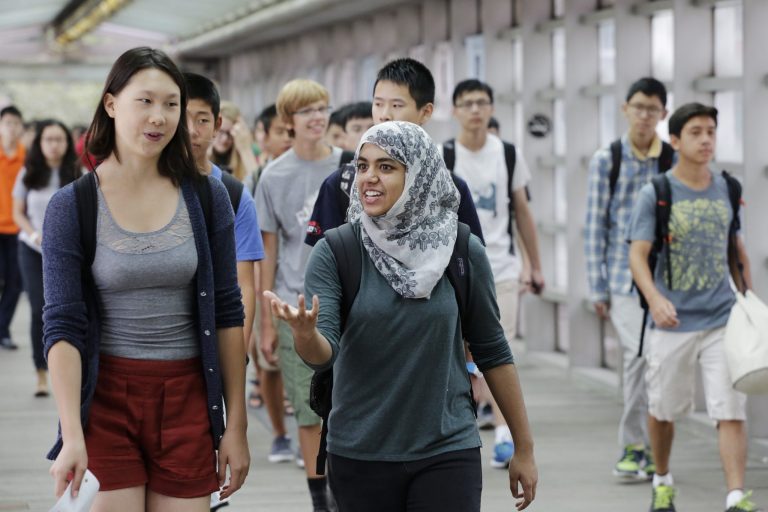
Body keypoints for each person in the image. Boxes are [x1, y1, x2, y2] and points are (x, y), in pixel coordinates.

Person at [265, 121, 538, 512]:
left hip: (448, 446)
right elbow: (322, 354)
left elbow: (493, 351)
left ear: (419, 173)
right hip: (361, 453)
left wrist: (524, 448)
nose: (369, 178)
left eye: (387, 167)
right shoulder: (337, 251)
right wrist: (305, 334)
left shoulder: (460, 249)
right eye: (362, 166)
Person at [42, 47, 250, 511]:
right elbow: (63, 327)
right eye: (145, 101)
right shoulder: (72, 207)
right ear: (111, 103)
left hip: (188, 399)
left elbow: (227, 311)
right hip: (107, 399)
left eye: (171, 104)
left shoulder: (206, 196)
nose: (159, 117)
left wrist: (235, 426)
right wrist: (71, 435)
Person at [628, 103, 759, 512]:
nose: (706, 140)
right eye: (697, 132)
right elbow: (638, 254)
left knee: (730, 408)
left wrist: (748, 306)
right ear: (676, 140)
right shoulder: (658, 193)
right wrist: (655, 299)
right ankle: (662, 477)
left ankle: (736, 496)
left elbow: (736, 250)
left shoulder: (728, 188)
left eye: (712, 132)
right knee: (663, 410)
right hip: (673, 322)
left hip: (722, 318)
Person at [449, 79, 545, 469]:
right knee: (460, 353)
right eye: (468, 103)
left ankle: (504, 433)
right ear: (454, 110)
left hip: (501, 268)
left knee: (496, 348)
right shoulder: (445, 156)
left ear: (491, 109)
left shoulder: (507, 153)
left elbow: (522, 211)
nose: (475, 110)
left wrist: (534, 264)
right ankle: (464, 425)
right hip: (455, 270)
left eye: (482, 103)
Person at [254, 78, 339, 511]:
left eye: (322, 108)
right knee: (309, 409)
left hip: (345, 304)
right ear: (288, 121)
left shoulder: (351, 166)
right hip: (294, 304)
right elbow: (268, 250)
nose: (317, 117)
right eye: (307, 110)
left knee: (345, 404)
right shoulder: (274, 175)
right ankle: (318, 496)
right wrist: (266, 322)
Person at [184, 72, 266, 512]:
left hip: (213, 345)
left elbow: (242, 287)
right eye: (184, 118)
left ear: (218, 125)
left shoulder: (233, 195)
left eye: (202, 120)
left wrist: (237, 353)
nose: (192, 131)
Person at [584, 77, 672, 481]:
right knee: (638, 360)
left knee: (661, 363)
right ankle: (634, 445)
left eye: (652, 109)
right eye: (638, 107)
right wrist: (597, 286)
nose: (644, 115)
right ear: (625, 109)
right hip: (622, 280)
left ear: (663, 114)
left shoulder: (671, 160)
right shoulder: (609, 159)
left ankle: (654, 447)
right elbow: (594, 226)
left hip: (667, 281)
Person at [305, 58, 484, 247]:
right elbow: (323, 263)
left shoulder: (449, 189)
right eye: (378, 104)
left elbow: (472, 259)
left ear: (426, 112)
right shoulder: (343, 185)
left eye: (397, 105)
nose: (384, 115)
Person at [12, 119, 81, 397]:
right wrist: (33, 235)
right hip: (32, 248)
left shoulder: (79, 172)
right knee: (39, 309)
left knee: (70, 309)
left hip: (69, 252)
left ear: (67, 144)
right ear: (40, 144)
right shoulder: (28, 172)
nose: (54, 145)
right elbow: (18, 212)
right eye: (48, 140)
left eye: (59, 139)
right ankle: (41, 373)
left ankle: (71, 372)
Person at [0, 105, 25, 350]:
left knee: (14, 283)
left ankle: (3, 329)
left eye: (15, 123)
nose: (11, 128)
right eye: (7, 123)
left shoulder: (26, 157)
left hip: (18, 229)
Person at [244, 104, 293, 196]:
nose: (287, 138)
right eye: (280, 132)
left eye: (291, 131)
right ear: (265, 137)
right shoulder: (256, 178)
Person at [211, 100, 259, 182]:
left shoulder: (245, 156)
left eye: (230, 134)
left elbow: (258, 185)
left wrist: (245, 149)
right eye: (221, 131)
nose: (224, 139)